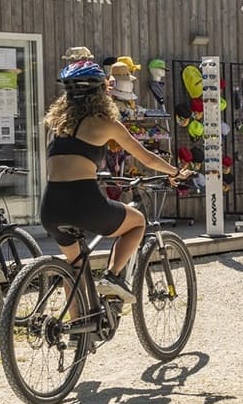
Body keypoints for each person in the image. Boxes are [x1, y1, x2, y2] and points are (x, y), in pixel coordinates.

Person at [40, 60, 193, 303]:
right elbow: (147, 158)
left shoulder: (57, 126)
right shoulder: (106, 124)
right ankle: (112, 277)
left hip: (50, 207)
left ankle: (76, 335)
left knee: (75, 267)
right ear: (101, 92)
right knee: (137, 223)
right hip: (84, 204)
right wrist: (174, 172)